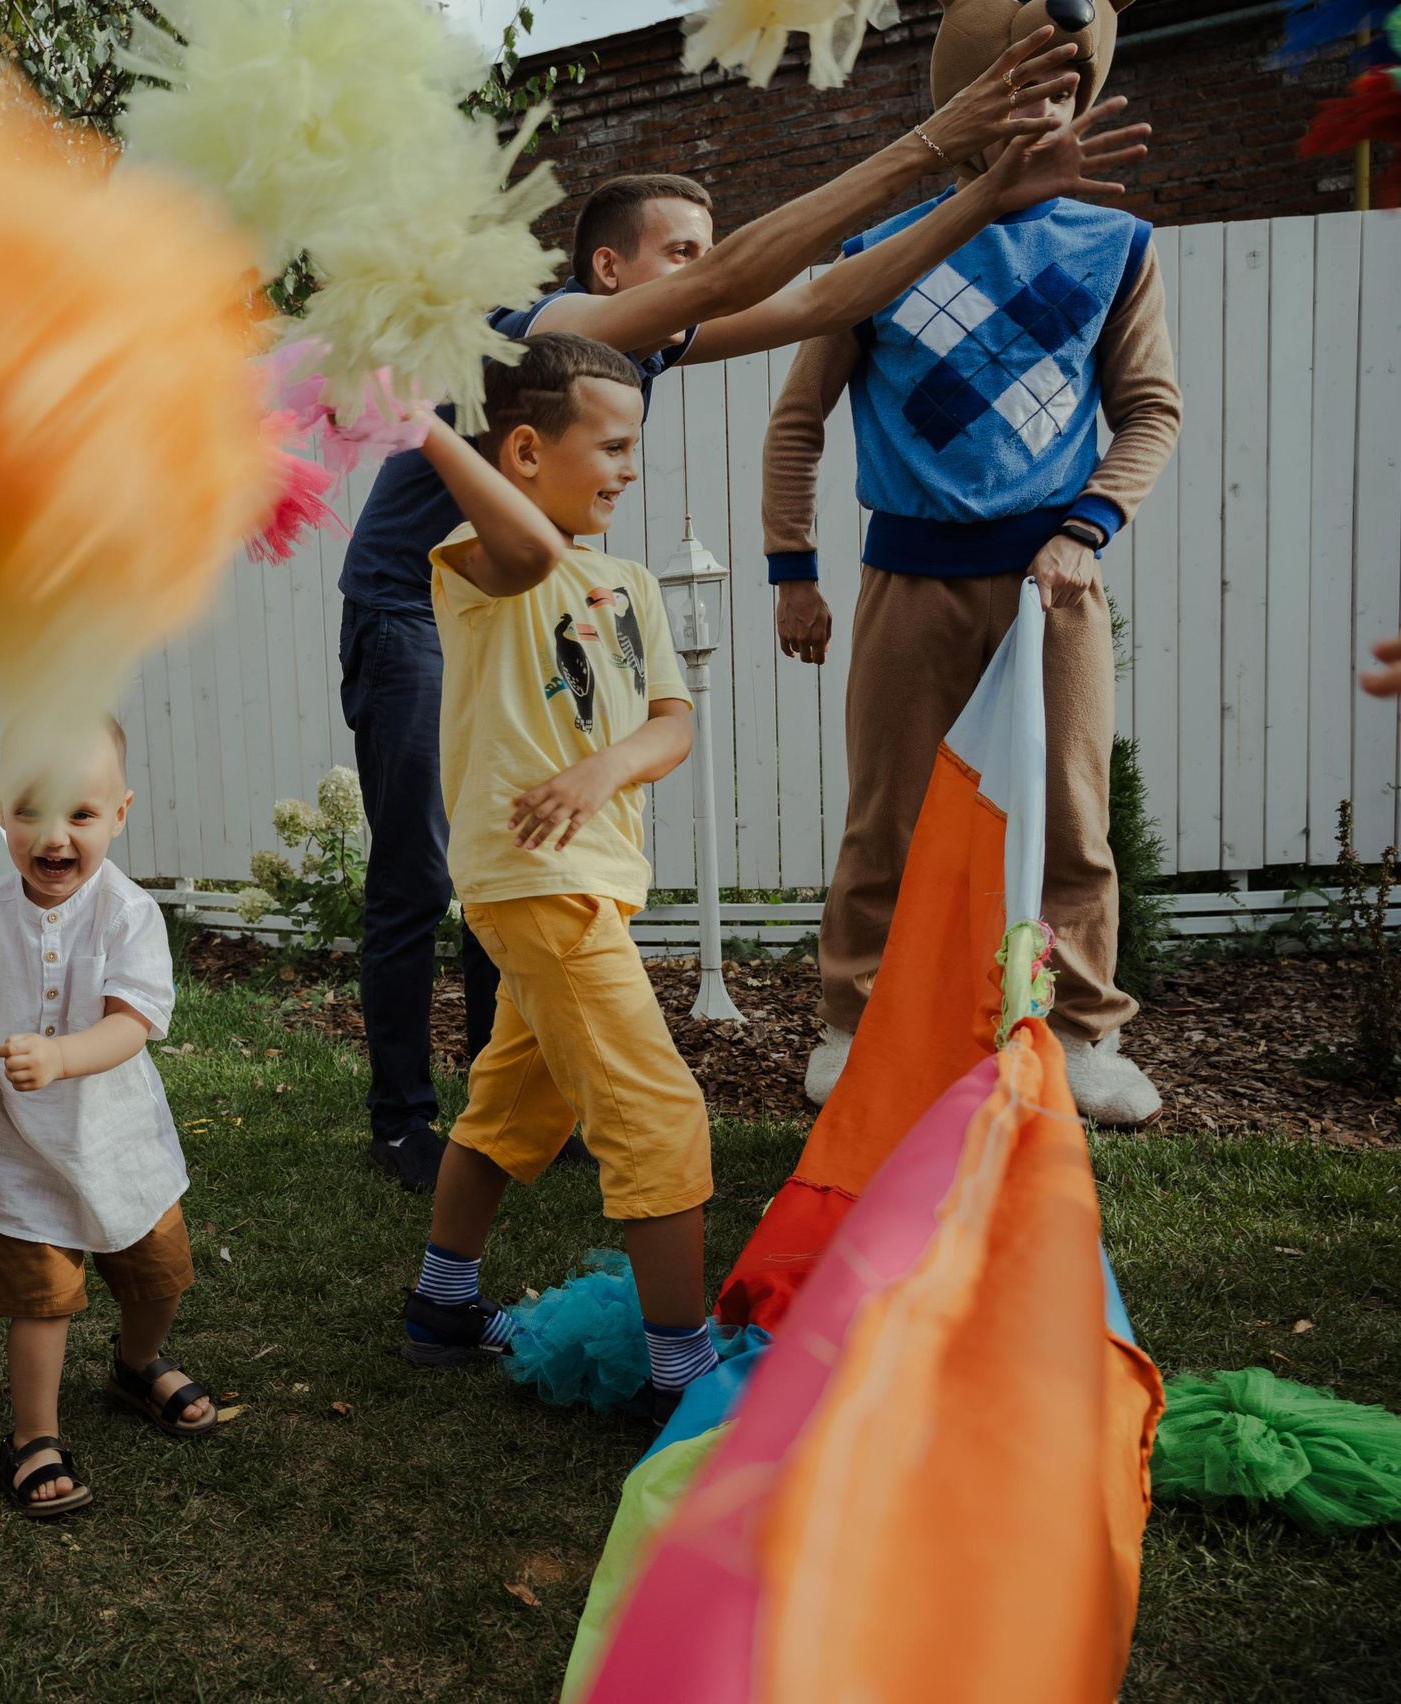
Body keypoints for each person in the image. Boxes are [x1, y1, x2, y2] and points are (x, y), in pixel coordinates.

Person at [335, 31, 1143, 1191]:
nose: (710, 268)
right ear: (609, 270)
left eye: (707, 249)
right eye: (682, 251)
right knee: (421, 867)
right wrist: (933, 143)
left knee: (522, 851)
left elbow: (831, 295)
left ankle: (509, 1110)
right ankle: (399, 1120)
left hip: (514, 605)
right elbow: (734, 284)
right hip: (414, 603)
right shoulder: (543, 330)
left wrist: (982, 196)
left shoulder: (649, 344)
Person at [763, 0, 1177, 1127]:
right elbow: (797, 423)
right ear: (967, 89)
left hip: (1054, 580)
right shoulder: (876, 253)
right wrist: (791, 571)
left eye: (1065, 85)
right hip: (908, 578)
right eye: (1020, 81)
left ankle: (1080, 1034)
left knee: (1072, 814)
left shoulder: (1115, 248)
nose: (1044, 107)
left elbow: (1150, 409)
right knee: (887, 814)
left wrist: (1085, 529)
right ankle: (854, 1025)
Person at [393, 335, 714, 1417]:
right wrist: (422, 424)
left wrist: (603, 767)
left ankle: (441, 1306)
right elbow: (529, 549)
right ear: (525, 452)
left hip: (593, 877)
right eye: (611, 446)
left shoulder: (629, 581)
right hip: (539, 879)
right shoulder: (481, 562)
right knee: (657, 1114)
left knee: (511, 1104)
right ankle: (683, 1376)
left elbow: (670, 722)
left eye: (634, 447)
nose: (629, 468)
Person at [0, 718, 213, 1518]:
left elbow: (132, 1024)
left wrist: (61, 1055)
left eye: (80, 815)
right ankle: (35, 1436)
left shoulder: (127, 914)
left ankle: (137, 1361)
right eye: (30, 812)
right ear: (0, 810)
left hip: (120, 1144)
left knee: (158, 1277)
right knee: (39, 1303)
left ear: (120, 813)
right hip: (19, 1153)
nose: (54, 838)